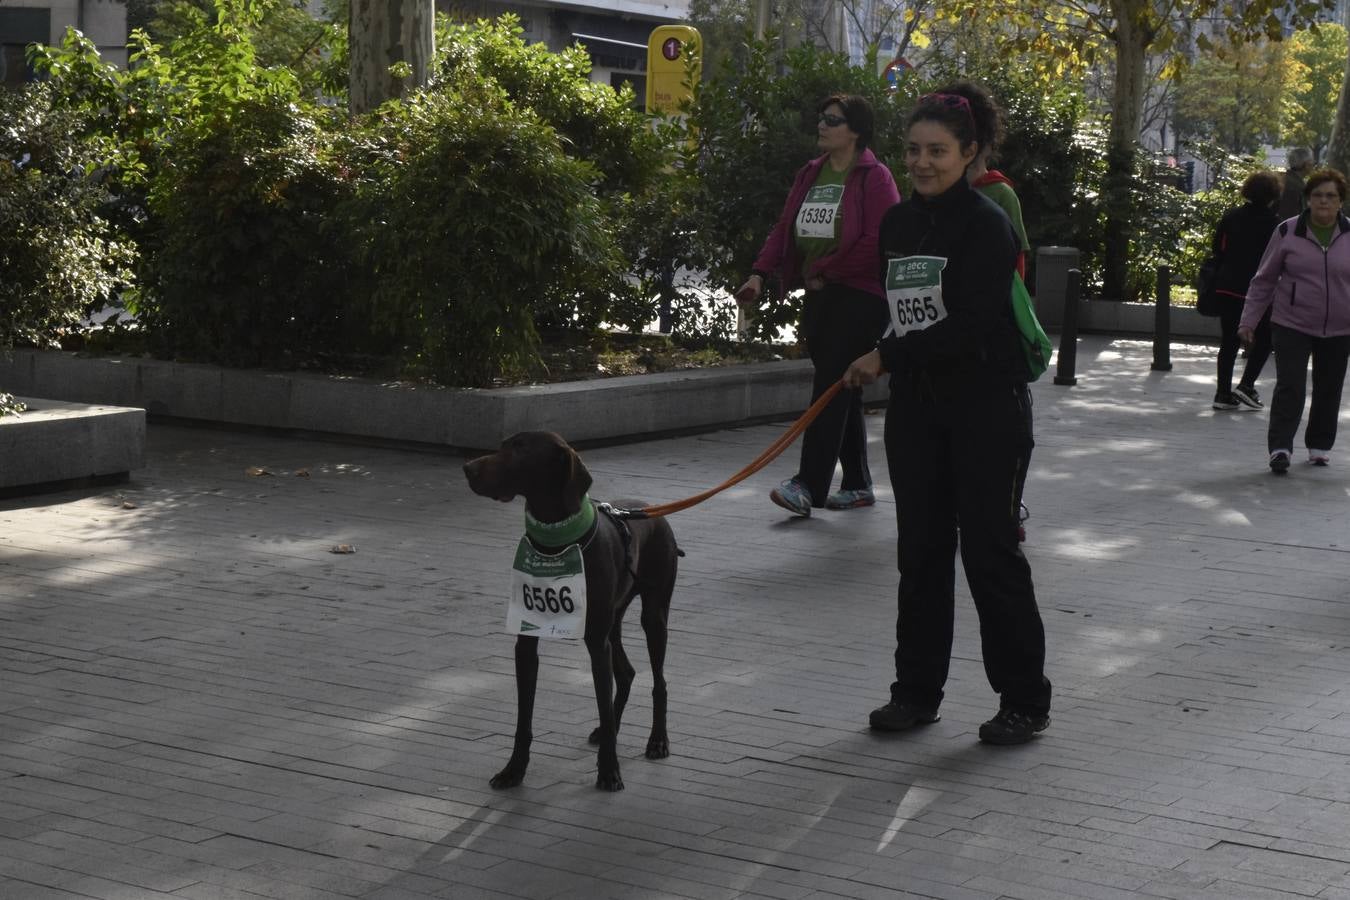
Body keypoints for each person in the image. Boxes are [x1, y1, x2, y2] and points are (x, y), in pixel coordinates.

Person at [842, 91, 1051, 745]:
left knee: (991, 557)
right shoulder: (900, 225)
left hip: (988, 413)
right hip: (918, 416)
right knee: (921, 556)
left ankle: (1024, 699)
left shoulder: (989, 225)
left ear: (968, 153)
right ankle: (915, 694)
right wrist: (883, 351)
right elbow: (900, 311)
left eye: (937, 151)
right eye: (914, 150)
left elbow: (973, 326)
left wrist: (885, 355)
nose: (922, 163)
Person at [735, 94, 901, 516]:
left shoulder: (874, 177)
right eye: (821, 117)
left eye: (833, 120)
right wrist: (759, 272)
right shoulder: (811, 173)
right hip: (820, 291)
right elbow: (785, 228)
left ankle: (808, 484)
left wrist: (829, 267)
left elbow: (879, 240)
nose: (822, 126)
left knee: (828, 385)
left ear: (856, 131)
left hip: (862, 295)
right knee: (839, 384)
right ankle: (860, 483)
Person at [1240, 168, 1350, 473]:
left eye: (1331, 196)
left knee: (1329, 386)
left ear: (1341, 201)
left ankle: (1319, 445)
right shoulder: (1288, 232)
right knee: (1291, 385)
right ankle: (1280, 448)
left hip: (1340, 326)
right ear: (1308, 200)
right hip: (1292, 323)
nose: (1323, 202)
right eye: (1317, 196)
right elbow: (1263, 280)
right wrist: (1248, 320)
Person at [1209, 170, 1280, 411]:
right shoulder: (1275, 224)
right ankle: (1247, 384)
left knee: (1228, 341)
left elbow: (1218, 248)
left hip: (1227, 286)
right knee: (1264, 340)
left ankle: (1222, 393)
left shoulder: (1231, 217)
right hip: (1258, 291)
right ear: (1273, 195)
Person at [1277, 148, 1314, 220]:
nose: (1313, 165)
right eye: (1312, 162)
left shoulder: (1281, 179)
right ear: (1306, 164)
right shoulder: (1298, 187)